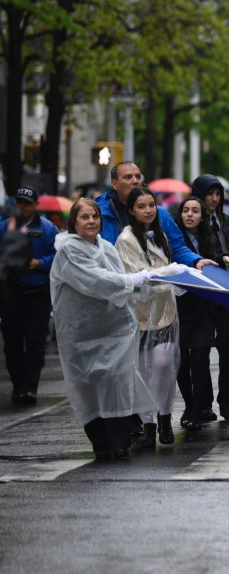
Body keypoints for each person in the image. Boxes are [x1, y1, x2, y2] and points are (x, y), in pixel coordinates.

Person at [50, 199, 160, 460]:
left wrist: (145, 282)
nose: (91, 222)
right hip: (81, 336)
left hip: (115, 332)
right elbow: (97, 281)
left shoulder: (107, 247)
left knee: (119, 385)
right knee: (87, 389)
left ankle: (119, 443)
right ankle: (101, 445)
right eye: (84, 217)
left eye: (95, 217)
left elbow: (120, 282)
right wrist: (131, 281)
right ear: (74, 222)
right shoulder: (68, 251)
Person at [115, 187, 188, 447]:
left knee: (164, 365)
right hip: (141, 318)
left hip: (166, 314)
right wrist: (170, 271)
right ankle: (148, 423)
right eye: (142, 206)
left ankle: (165, 416)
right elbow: (139, 277)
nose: (148, 210)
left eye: (151, 205)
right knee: (144, 371)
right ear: (132, 210)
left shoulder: (160, 235)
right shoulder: (126, 240)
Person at [191, 174, 229, 420]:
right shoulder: (191, 219)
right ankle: (203, 404)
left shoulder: (225, 220)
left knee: (228, 348)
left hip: (226, 293)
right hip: (203, 294)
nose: (213, 199)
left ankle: (227, 401)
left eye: (217, 194)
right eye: (209, 194)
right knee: (201, 352)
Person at [1, 186, 58, 404]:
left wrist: (39, 263)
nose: (23, 206)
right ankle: (18, 385)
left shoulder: (47, 228)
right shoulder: (4, 227)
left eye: (27, 202)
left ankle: (30, 387)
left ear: (35, 205)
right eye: (20, 202)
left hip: (38, 294)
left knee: (36, 342)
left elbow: (58, 255)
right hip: (11, 294)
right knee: (12, 342)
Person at [96, 162, 208, 270]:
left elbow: (176, 247)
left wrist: (196, 260)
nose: (135, 181)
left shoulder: (160, 214)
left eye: (138, 176)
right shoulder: (98, 214)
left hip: (157, 284)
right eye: (128, 177)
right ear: (114, 184)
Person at [172, 196, 224, 428]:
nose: (189, 215)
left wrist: (221, 257)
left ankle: (197, 410)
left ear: (202, 216)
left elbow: (217, 260)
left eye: (194, 211)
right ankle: (189, 403)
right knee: (181, 362)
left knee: (200, 361)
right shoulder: (172, 240)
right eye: (185, 210)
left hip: (203, 307)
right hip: (180, 307)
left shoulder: (208, 238)